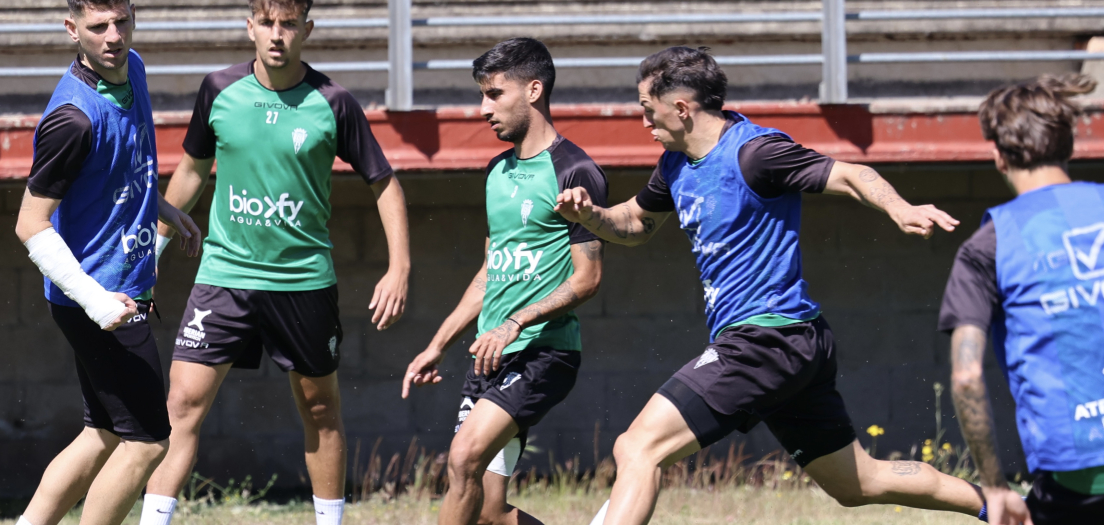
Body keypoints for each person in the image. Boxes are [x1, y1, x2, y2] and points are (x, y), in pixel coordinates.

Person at [552, 46, 992, 525]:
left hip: (766, 339)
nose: (643, 121)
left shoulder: (755, 152)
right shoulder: (674, 165)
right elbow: (635, 223)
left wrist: (899, 207)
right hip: (792, 343)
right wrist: (589, 215)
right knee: (857, 482)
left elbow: (849, 173)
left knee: (637, 447)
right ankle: (1006, 507)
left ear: (680, 108)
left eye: (645, 108)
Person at [138, 1, 410, 524]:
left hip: (302, 284)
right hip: (224, 278)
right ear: (250, 28)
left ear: (307, 29)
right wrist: (152, 252)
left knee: (321, 410)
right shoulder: (218, 89)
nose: (277, 34)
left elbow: (384, 184)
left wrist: (398, 267)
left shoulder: (334, 102)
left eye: (288, 24)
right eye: (267, 23)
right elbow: (191, 173)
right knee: (180, 407)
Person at [401, 38, 606, 525]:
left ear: (533, 90)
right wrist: (439, 344)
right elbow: (491, 271)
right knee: (490, 512)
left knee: (462, 458)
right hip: (489, 355)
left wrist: (516, 322)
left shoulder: (575, 170)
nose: (482, 109)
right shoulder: (497, 171)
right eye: (482, 95)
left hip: (544, 353)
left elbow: (588, 279)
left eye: (494, 94)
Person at [13, 1, 202, 524]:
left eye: (121, 22)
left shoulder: (133, 68)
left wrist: (164, 208)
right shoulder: (71, 120)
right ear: (72, 29)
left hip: (119, 291)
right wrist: (97, 302)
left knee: (100, 434)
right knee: (147, 444)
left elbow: (122, 166)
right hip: (101, 301)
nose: (113, 36)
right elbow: (30, 224)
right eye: (98, 27)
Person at [941, 73, 1104, 525]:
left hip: (1075, 482)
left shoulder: (986, 248)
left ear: (997, 156)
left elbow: (968, 376)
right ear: (1070, 145)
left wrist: (994, 486)